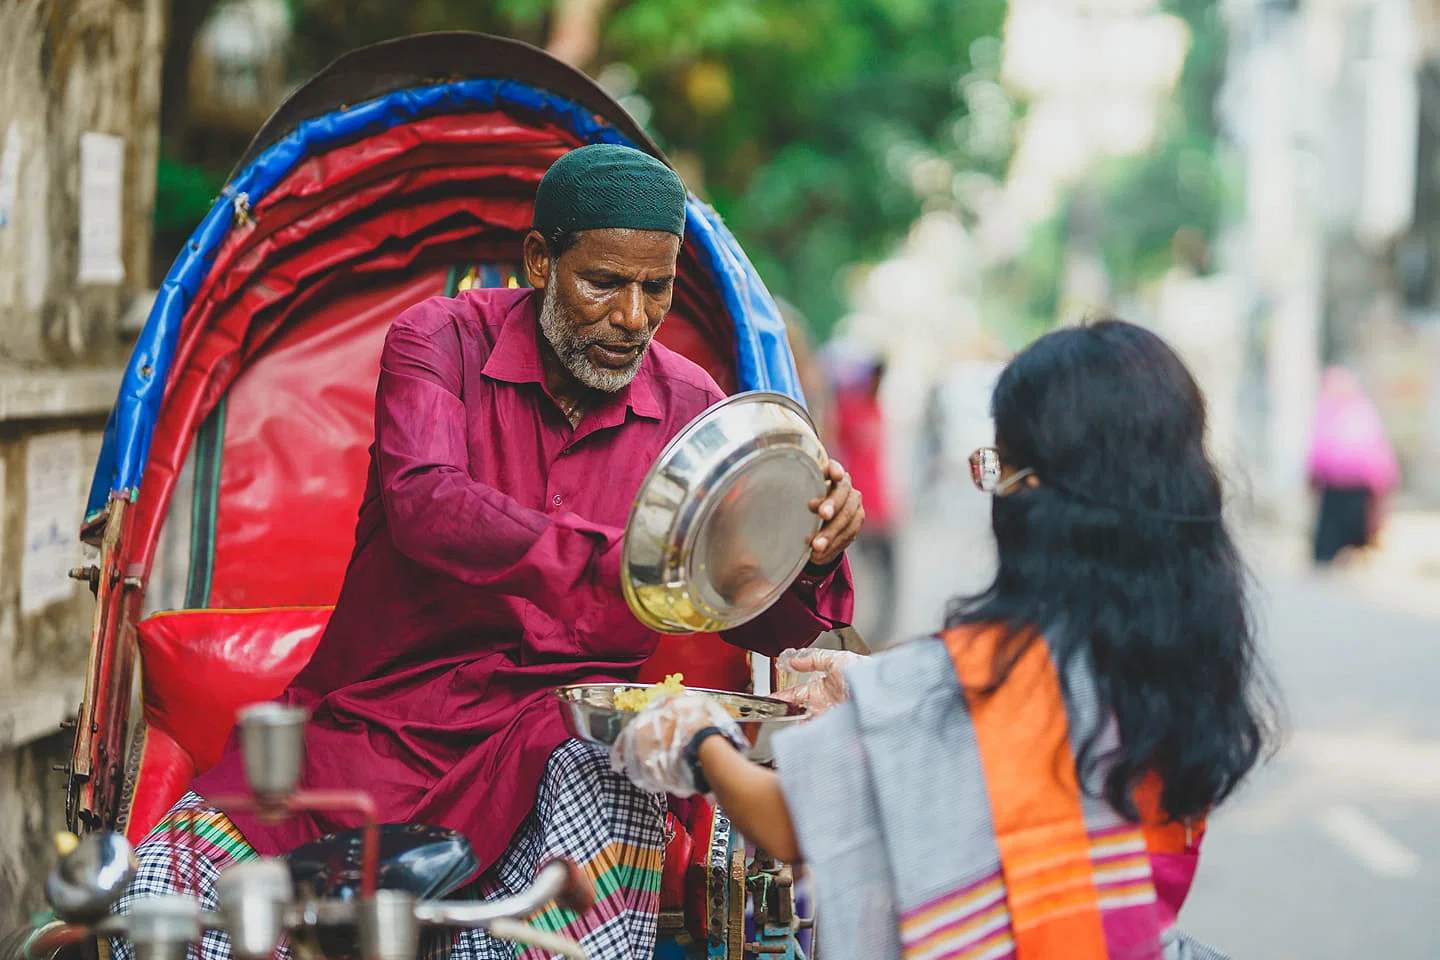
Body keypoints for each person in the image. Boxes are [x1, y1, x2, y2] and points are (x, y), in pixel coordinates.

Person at [113, 144, 861, 960]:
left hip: (561, 742)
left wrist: (813, 550)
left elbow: (750, 610)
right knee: (157, 911)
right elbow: (426, 504)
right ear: (540, 261)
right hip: (375, 735)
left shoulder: (692, 410)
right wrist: (615, 559)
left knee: (612, 769)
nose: (634, 318)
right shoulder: (438, 342)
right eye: (604, 283)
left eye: (658, 288)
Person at [614, 319, 1274, 960]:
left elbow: (786, 822)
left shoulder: (982, 681)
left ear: (1038, 495)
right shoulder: (1180, 659)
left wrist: (697, 739)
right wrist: (870, 685)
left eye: (1000, 470)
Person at [831, 358, 897, 644]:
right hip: (857, 507)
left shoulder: (876, 408)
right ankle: (841, 633)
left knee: (888, 579)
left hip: (881, 508)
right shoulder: (849, 407)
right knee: (852, 576)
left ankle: (878, 634)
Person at [1308, 366, 1400, 566]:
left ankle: (1350, 557)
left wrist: (1381, 481)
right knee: (1333, 532)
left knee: (1353, 530)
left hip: (1355, 486)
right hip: (1337, 486)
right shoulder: (1330, 411)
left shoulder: (1361, 412)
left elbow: (1376, 451)